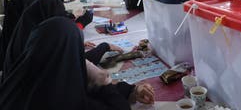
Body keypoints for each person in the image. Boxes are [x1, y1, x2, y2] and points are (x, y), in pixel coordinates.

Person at [0, 16, 155, 109]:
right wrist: (104, 80)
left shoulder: (29, 78)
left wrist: (131, 90)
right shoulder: (63, 102)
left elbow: (81, 88)